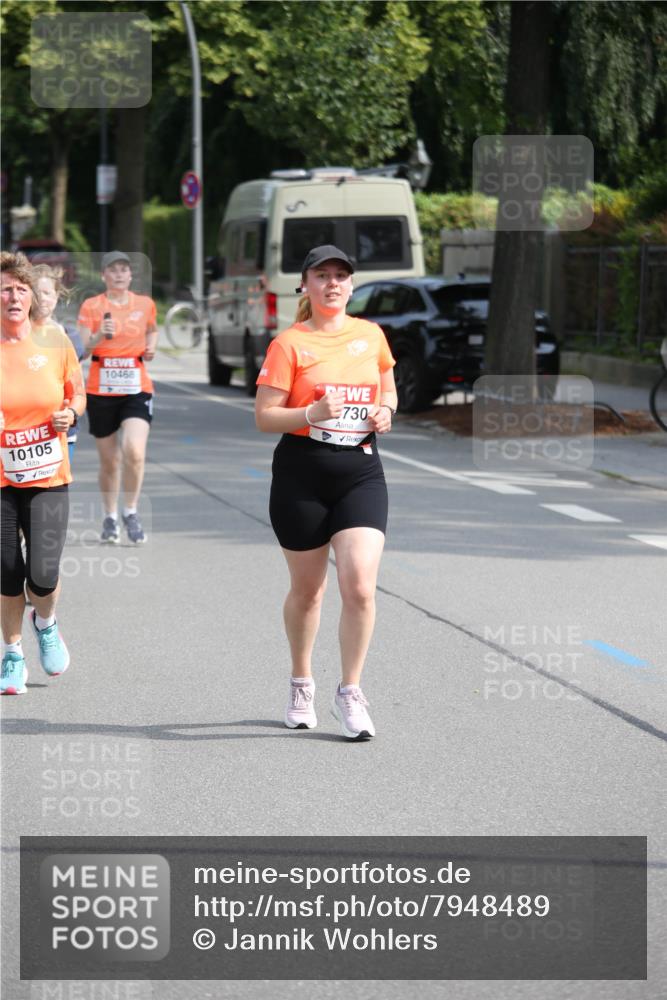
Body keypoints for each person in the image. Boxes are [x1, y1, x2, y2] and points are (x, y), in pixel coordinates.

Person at [255, 245, 397, 740]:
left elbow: (388, 388)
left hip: (360, 470)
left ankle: (351, 692)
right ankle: (301, 682)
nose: (332, 283)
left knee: (359, 585)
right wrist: (310, 415)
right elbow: (264, 416)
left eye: (341, 276)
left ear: (352, 286)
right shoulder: (288, 344)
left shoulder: (371, 336)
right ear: (306, 285)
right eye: (322, 275)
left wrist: (387, 413)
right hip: (301, 474)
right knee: (308, 591)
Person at [0, 251, 86, 695]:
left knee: (43, 574)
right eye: (5, 289)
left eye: (20, 288)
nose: (13, 296)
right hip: (0, 480)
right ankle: (12, 654)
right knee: (6, 570)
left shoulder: (54, 339)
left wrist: (70, 413)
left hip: (49, 474)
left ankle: (46, 621)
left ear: (32, 296)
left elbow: (78, 395)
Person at [78, 251, 158, 544]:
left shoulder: (145, 304)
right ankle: (110, 516)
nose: (120, 274)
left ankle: (131, 511)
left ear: (131, 275)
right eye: (113, 270)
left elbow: (153, 331)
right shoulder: (92, 306)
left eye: (125, 269)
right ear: (104, 276)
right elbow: (82, 349)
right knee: (110, 461)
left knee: (134, 451)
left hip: (137, 387)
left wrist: (150, 347)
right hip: (101, 389)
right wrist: (100, 336)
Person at [30, 263, 85, 462]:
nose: (42, 298)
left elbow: (78, 392)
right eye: (36, 292)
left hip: (59, 433)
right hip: (21, 433)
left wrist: (70, 414)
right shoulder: (12, 334)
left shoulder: (68, 337)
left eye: (47, 292)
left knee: (54, 489)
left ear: (56, 296)